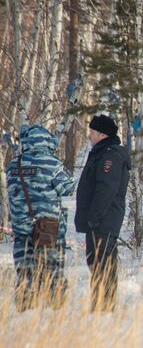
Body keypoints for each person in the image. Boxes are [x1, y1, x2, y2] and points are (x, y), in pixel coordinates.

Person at [6, 125, 76, 312]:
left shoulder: (13, 165)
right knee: (53, 275)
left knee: (25, 277)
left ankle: (25, 316)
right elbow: (69, 188)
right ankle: (55, 315)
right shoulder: (52, 164)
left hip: (21, 234)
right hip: (48, 232)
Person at [75, 114, 131, 312]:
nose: (89, 136)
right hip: (99, 220)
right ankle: (99, 305)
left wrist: (94, 217)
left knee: (103, 264)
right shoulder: (101, 153)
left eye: (92, 132)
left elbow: (106, 189)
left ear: (101, 134)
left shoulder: (109, 155)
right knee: (96, 262)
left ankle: (104, 308)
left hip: (103, 220)